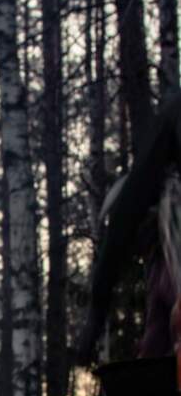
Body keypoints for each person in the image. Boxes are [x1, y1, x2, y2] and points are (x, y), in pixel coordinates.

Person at [78, 93, 181, 365]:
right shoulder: (162, 267)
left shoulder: (170, 209)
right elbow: (155, 337)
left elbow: (124, 218)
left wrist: (96, 317)